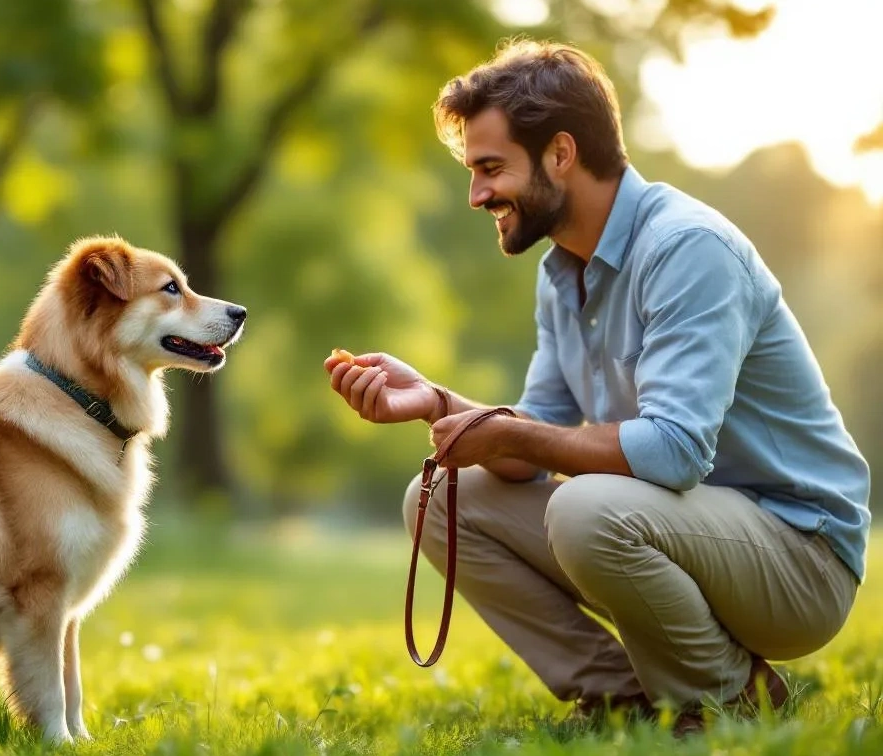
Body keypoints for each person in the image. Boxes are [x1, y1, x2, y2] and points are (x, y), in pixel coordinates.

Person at [323, 39, 869, 736]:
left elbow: (672, 452)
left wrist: (514, 432)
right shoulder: (562, 274)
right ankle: (621, 697)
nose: (476, 195)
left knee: (586, 509)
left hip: (800, 556)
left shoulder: (686, 249)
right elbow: (528, 450)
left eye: (491, 169)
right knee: (440, 501)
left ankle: (730, 699)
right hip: (682, 530)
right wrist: (434, 402)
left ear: (560, 154)